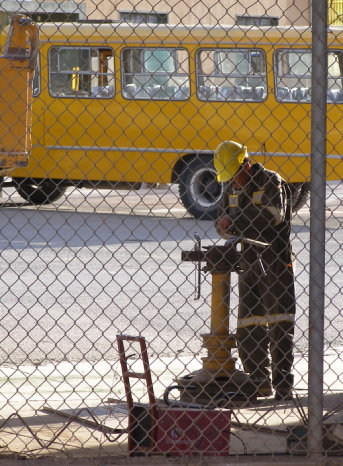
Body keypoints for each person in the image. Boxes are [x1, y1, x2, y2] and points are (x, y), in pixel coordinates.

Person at [214, 140, 296, 401]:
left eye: (234, 176)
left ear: (246, 165)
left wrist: (234, 221)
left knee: (279, 323)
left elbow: (272, 216)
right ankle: (258, 380)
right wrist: (223, 224)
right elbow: (223, 215)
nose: (233, 183)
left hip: (274, 261)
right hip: (248, 261)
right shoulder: (231, 187)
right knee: (249, 324)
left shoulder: (271, 181)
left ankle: (282, 384)